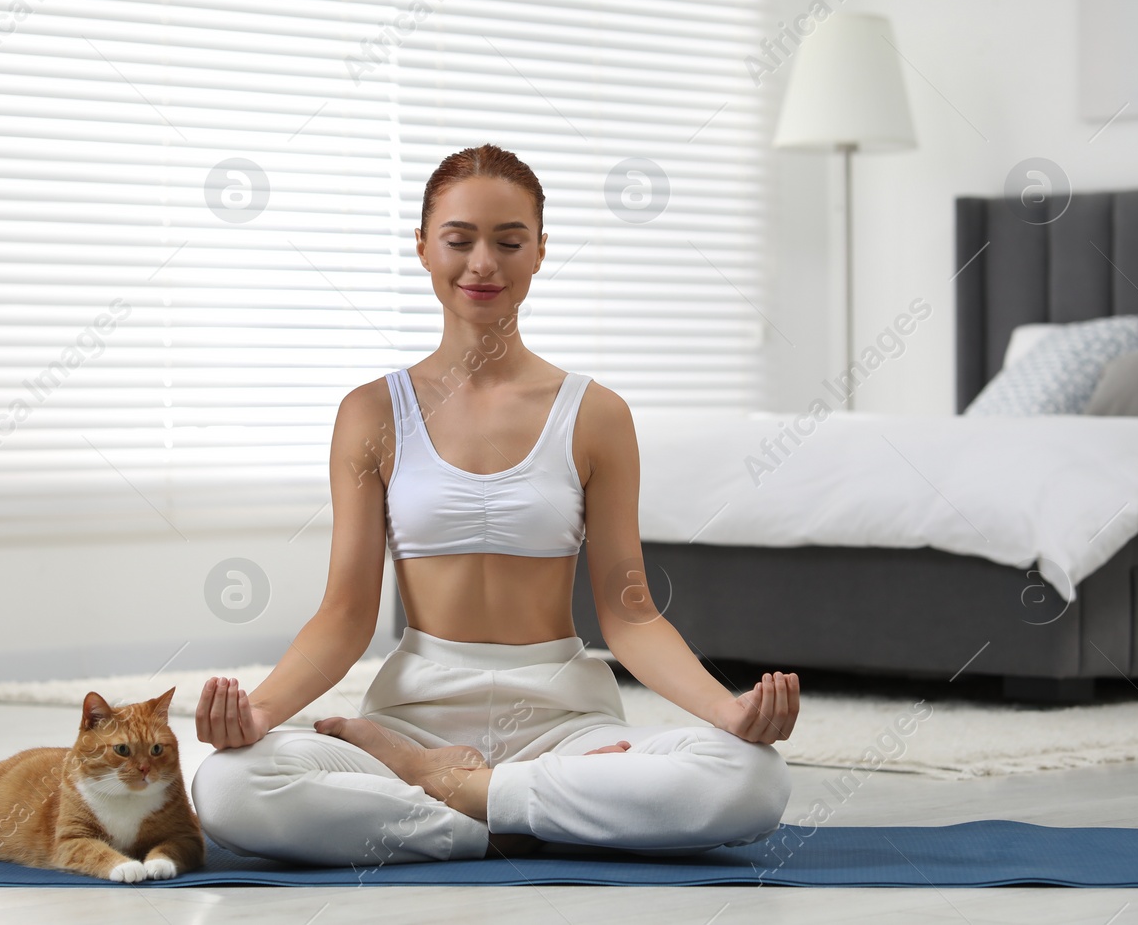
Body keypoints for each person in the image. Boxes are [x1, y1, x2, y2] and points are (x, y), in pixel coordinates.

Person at [188, 143, 797, 867]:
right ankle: (514, 813)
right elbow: (345, 615)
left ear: (540, 251)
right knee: (228, 785)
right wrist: (258, 712)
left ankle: (457, 796)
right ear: (422, 247)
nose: (484, 263)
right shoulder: (371, 412)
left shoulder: (595, 414)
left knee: (753, 778)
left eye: (509, 241)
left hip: (563, 722)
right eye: (459, 240)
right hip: (411, 720)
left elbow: (629, 612)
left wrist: (728, 711)